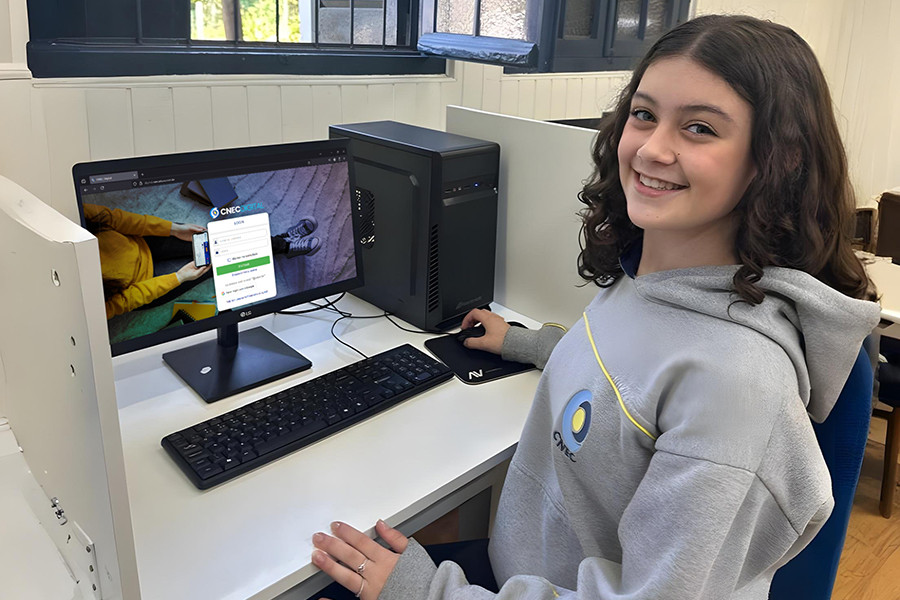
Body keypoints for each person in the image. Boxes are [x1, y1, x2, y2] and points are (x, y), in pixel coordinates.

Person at [308, 14, 882, 600]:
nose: (652, 149)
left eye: (700, 128)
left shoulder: (737, 387)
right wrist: (526, 343)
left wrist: (428, 592)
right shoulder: (657, 279)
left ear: (778, 160)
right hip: (521, 572)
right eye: (644, 114)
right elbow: (631, 373)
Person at [85, 203, 319, 319]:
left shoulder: (75, 216)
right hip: (145, 286)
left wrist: (174, 228)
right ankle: (284, 244)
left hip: (141, 242)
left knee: (221, 242)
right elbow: (125, 301)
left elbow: (115, 219)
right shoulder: (81, 305)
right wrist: (178, 278)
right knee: (220, 262)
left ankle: (283, 243)